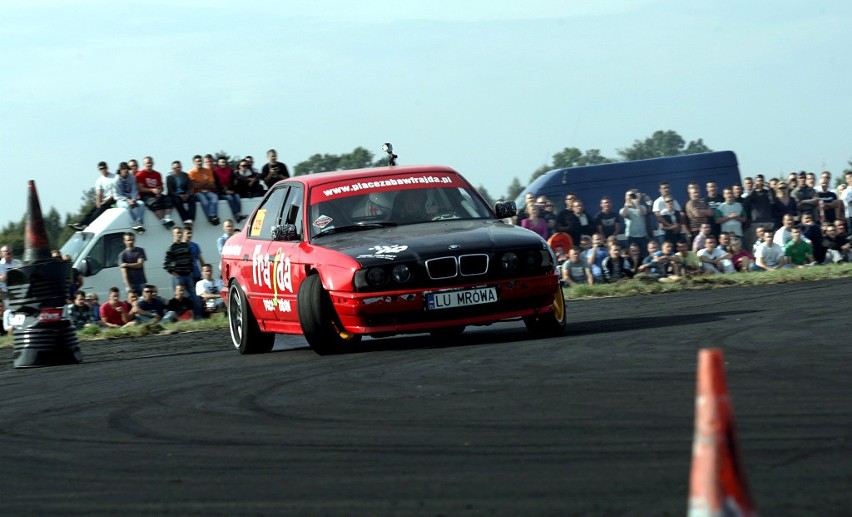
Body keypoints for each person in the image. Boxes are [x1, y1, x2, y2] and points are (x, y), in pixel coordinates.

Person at [164, 227, 201, 318]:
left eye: (180, 233)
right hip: (178, 277)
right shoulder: (171, 248)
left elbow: (191, 260)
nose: (179, 235)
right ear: (173, 235)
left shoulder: (185, 246)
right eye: (177, 233)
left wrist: (191, 271)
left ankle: (199, 316)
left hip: (188, 276)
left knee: (194, 297)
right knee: (182, 297)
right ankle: (182, 317)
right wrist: (175, 274)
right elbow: (166, 264)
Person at [69, 161, 117, 231]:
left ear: (107, 168)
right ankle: (81, 223)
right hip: (106, 200)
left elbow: (115, 193)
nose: (103, 170)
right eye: (101, 169)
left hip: (114, 199)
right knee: (94, 209)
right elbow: (99, 194)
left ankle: (86, 225)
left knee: (102, 207)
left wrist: (104, 203)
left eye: (104, 168)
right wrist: (98, 205)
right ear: (99, 170)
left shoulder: (114, 178)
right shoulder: (99, 180)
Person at [135, 156, 175, 229]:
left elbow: (161, 187)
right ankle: (163, 221)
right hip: (145, 194)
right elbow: (140, 188)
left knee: (169, 199)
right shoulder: (140, 174)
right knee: (154, 203)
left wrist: (159, 191)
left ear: (153, 163)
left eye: (150, 163)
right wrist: (152, 190)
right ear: (144, 164)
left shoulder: (157, 174)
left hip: (156, 193)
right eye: (147, 163)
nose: (149, 164)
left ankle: (167, 218)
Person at [212, 157, 248, 223]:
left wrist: (232, 190)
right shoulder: (215, 172)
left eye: (224, 162)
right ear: (218, 163)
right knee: (229, 198)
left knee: (237, 196)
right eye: (222, 162)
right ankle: (236, 215)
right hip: (221, 191)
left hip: (230, 189)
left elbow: (232, 182)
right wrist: (225, 191)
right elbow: (216, 185)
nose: (223, 163)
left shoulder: (230, 170)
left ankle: (239, 214)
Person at [113, 162, 146, 232]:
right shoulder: (116, 180)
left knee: (142, 204)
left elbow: (134, 190)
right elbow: (117, 195)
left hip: (132, 198)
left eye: (126, 169)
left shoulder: (132, 177)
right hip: (121, 200)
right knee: (127, 206)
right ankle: (134, 224)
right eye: (123, 169)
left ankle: (138, 222)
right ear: (120, 170)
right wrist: (128, 200)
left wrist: (133, 199)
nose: (125, 170)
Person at [189, 154, 221, 225]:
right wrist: (205, 183)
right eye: (197, 161)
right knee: (205, 201)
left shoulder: (207, 171)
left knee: (214, 197)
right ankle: (210, 217)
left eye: (200, 161)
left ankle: (213, 216)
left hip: (208, 191)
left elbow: (212, 184)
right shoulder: (191, 173)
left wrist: (200, 184)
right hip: (197, 192)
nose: (199, 163)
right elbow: (194, 186)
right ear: (194, 163)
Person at [166, 160, 196, 227]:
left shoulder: (185, 175)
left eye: (178, 167)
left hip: (185, 193)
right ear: (172, 169)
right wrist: (179, 195)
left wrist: (187, 195)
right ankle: (185, 219)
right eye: (175, 168)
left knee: (192, 200)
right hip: (175, 194)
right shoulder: (169, 177)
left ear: (181, 167)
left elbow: (189, 187)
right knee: (177, 201)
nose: (177, 169)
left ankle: (190, 219)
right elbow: (170, 191)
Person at [620, 189, 650, 257]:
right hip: (631, 237)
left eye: (632, 195)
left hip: (643, 236)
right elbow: (624, 214)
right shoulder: (624, 209)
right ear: (625, 197)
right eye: (629, 195)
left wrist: (637, 202)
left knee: (645, 255)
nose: (631, 197)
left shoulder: (642, 207)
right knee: (633, 256)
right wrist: (627, 205)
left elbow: (643, 213)